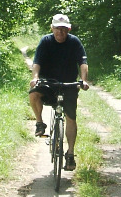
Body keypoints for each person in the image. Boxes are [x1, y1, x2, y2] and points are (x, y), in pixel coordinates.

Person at [29, 13, 90, 171]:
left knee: (71, 118)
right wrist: (35, 77)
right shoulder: (46, 41)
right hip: (48, 82)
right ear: (52, 28)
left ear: (68, 29)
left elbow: (83, 62)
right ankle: (40, 123)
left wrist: (83, 80)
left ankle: (70, 154)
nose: (60, 32)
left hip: (69, 84)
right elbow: (37, 62)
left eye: (63, 29)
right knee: (34, 93)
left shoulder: (74, 42)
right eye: (57, 28)